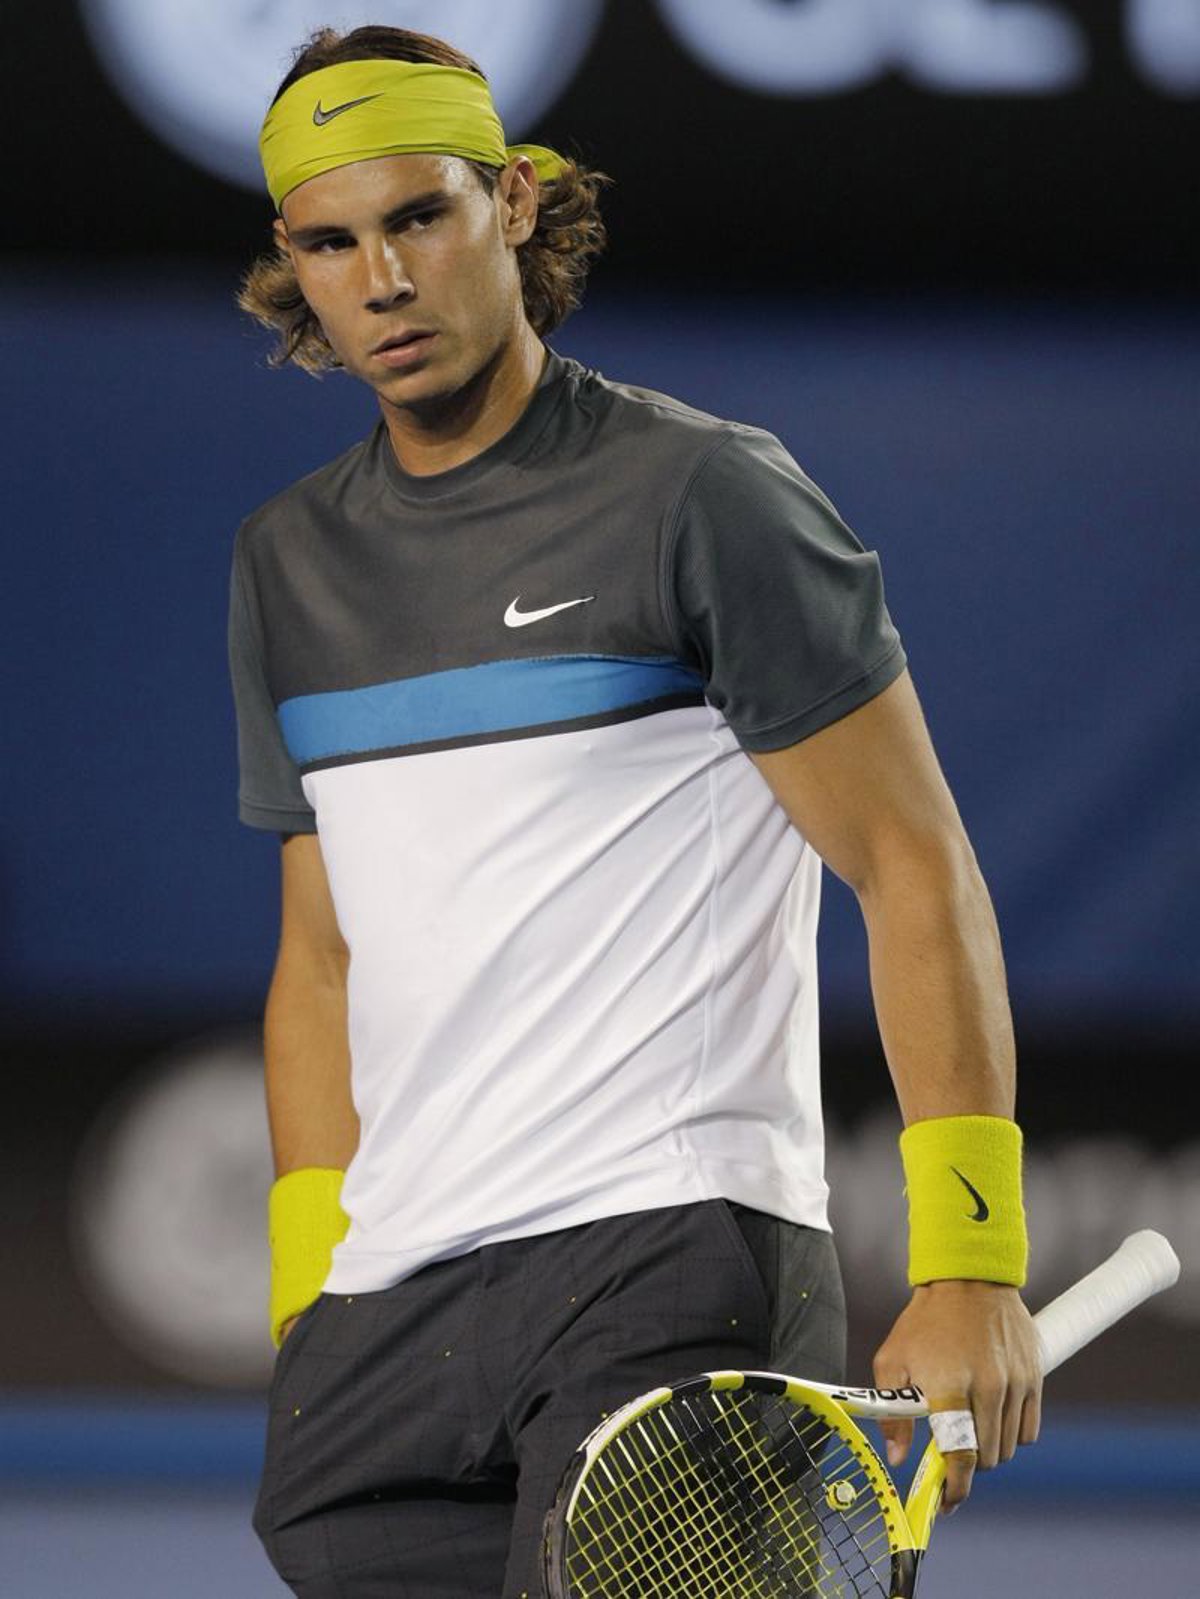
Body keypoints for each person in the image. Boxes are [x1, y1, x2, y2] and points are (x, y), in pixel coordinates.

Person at [230, 23, 1041, 1598]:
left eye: (420, 217)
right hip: (392, 1313)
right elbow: (321, 960)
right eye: (332, 243)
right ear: (294, 262)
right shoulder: (286, 562)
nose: (382, 280)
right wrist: (309, 1300)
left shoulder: (703, 493)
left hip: (667, 1259)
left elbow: (910, 861)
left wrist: (970, 1257)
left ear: (514, 203)